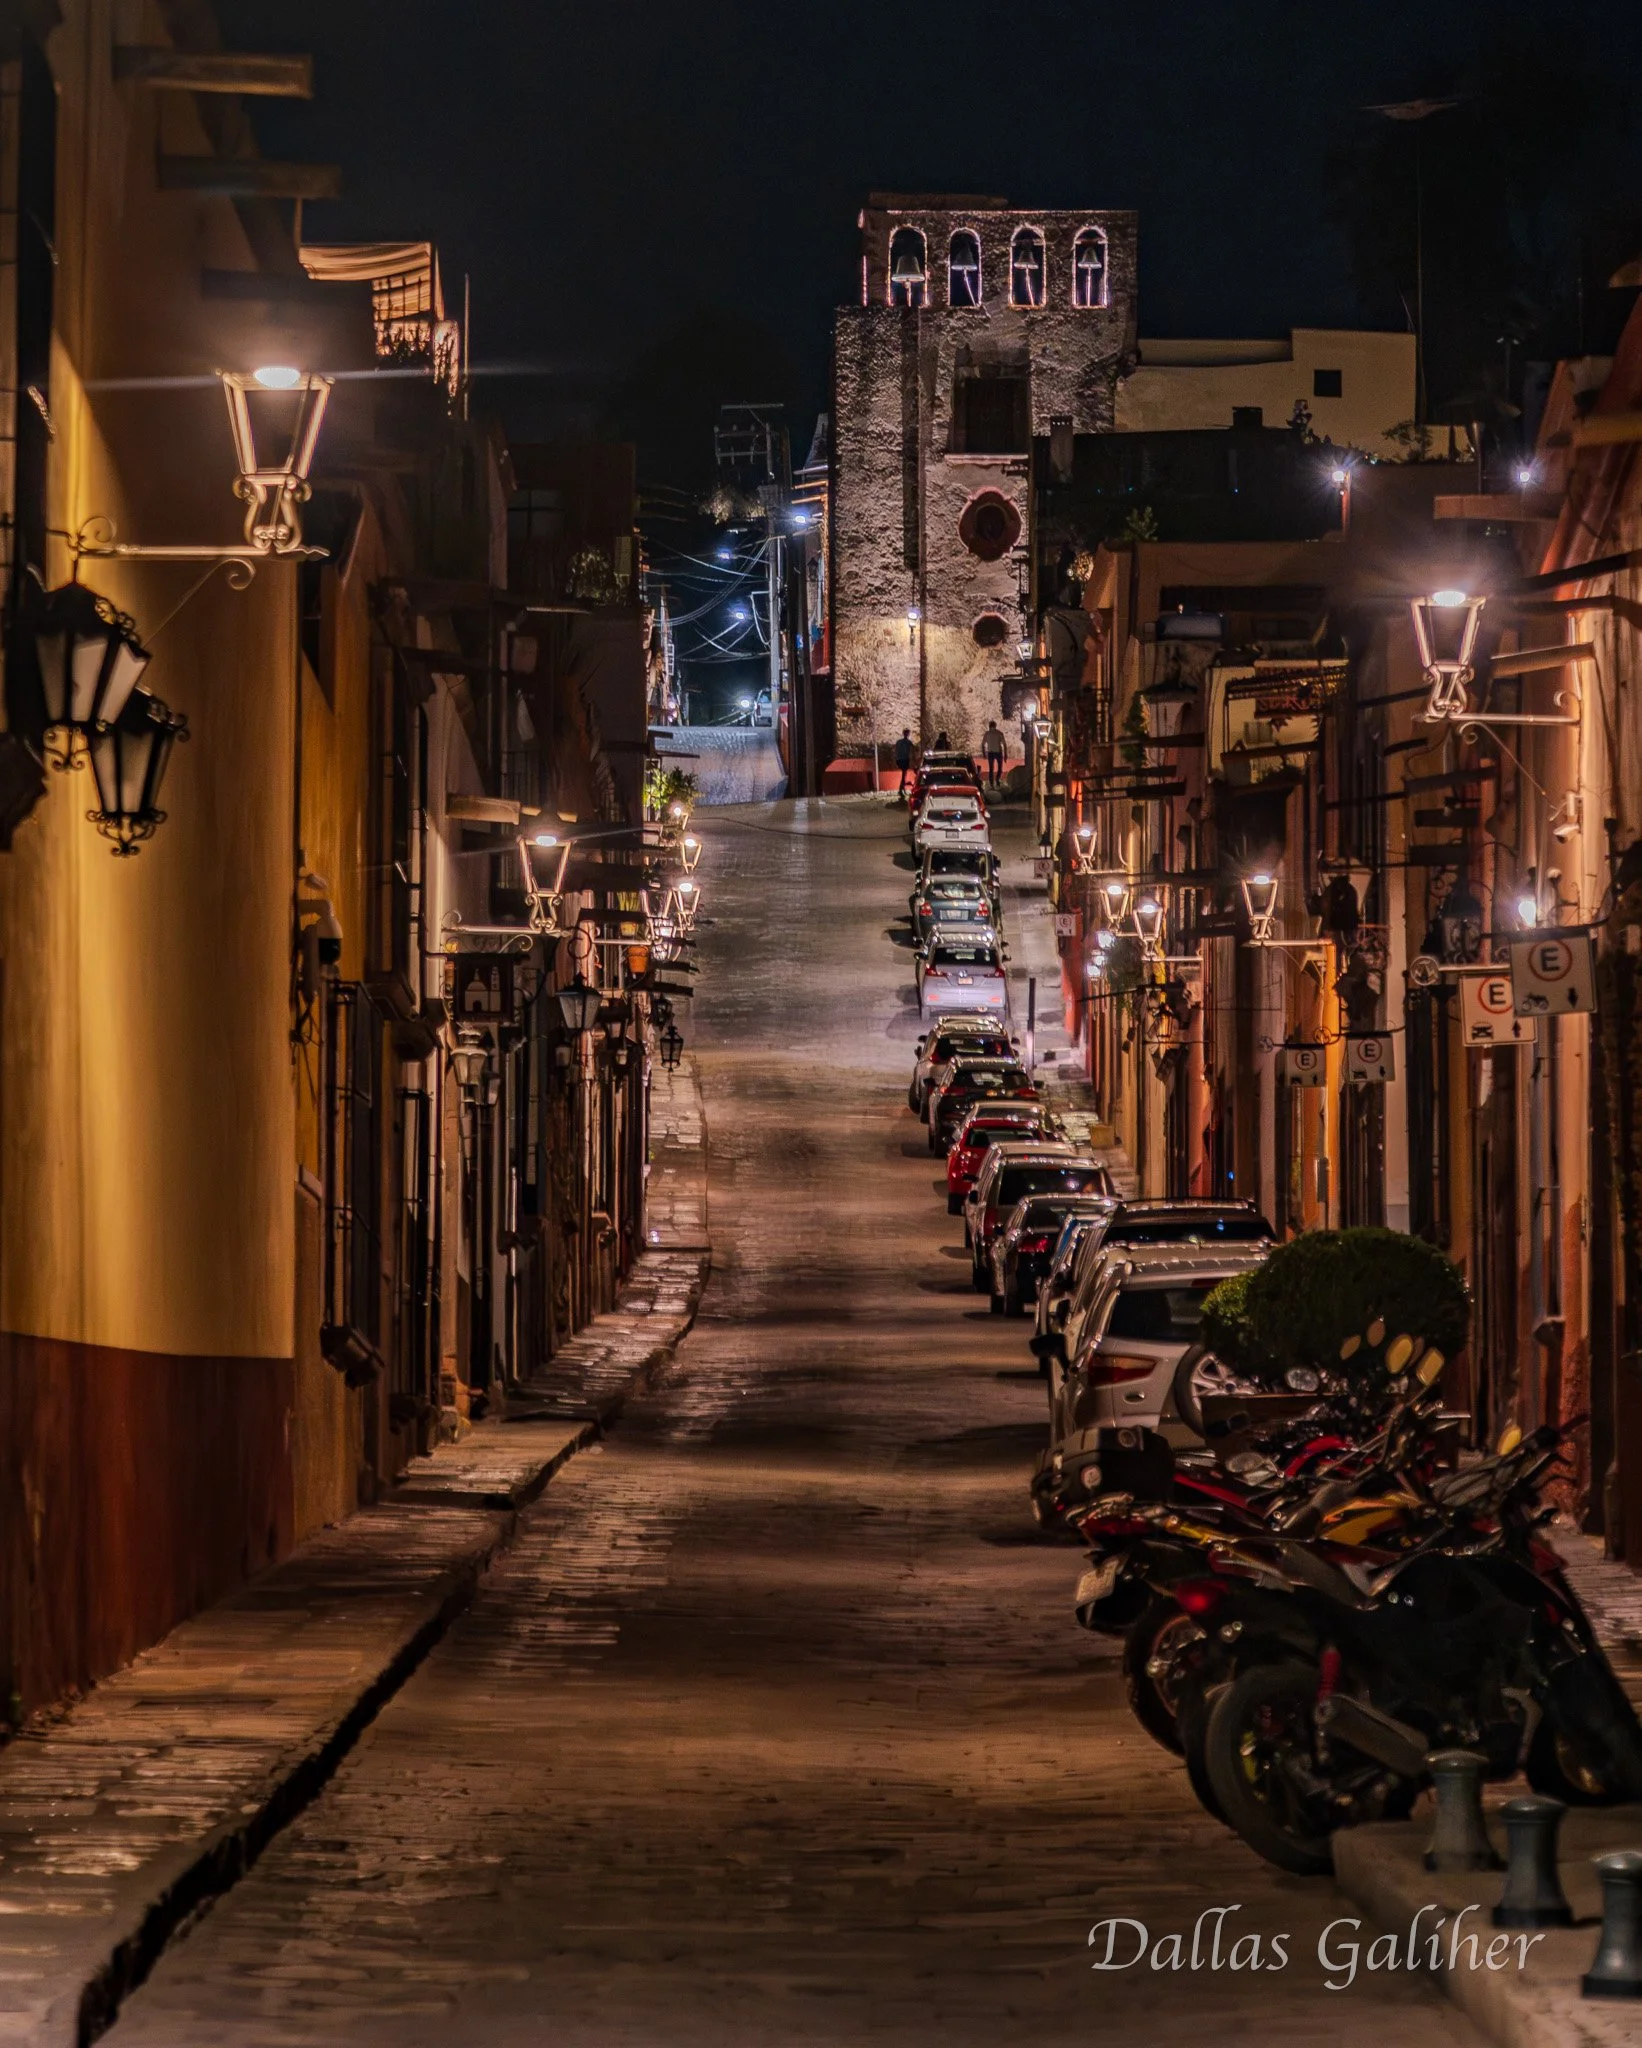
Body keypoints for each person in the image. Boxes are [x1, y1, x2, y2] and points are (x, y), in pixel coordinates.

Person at [982, 719, 1006, 788]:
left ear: (989, 726)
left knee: (991, 769)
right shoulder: (999, 733)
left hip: (990, 752)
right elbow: (1004, 744)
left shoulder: (987, 734)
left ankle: (991, 783)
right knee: (1000, 768)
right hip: (998, 752)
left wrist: (984, 753)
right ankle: (997, 779)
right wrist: (1005, 754)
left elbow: (983, 744)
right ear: (995, 726)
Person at [893, 727, 914, 797]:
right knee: (904, 775)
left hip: (899, 760)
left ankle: (902, 789)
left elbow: (896, 751)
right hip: (905, 760)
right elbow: (913, 749)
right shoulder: (908, 742)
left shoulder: (898, 742)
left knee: (904, 775)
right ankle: (901, 789)